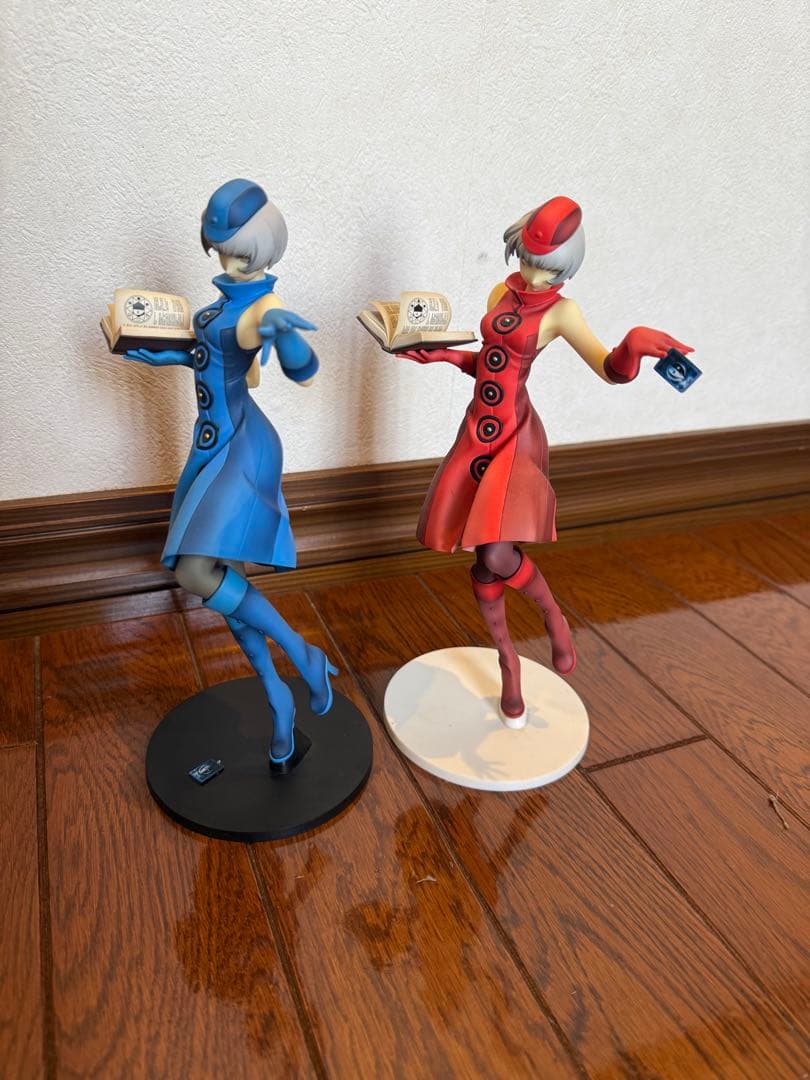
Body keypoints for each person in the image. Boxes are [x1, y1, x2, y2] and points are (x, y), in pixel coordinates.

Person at [395, 196, 692, 723]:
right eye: (528, 262)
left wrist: (632, 344)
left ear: (566, 268)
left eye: (548, 269)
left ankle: (552, 614)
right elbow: (488, 364)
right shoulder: (499, 292)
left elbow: (610, 370)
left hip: (515, 437)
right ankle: (508, 662)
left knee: (496, 556)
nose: (534, 277)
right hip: (476, 434)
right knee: (481, 560)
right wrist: (442, 355)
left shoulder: (561, 312)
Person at [124, 178, 337, 764]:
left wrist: (287, 341)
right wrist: (161, 353)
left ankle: (301, 652)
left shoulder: (262, 307)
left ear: (263, 248)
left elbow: (303, 368)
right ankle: (278, 699)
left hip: (241, 444)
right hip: (213, 442)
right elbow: (212, 355)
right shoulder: (225, 303)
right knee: (226, 583)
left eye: (239, 253)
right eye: (221, 250)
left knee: (196, 572)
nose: (228, 262)